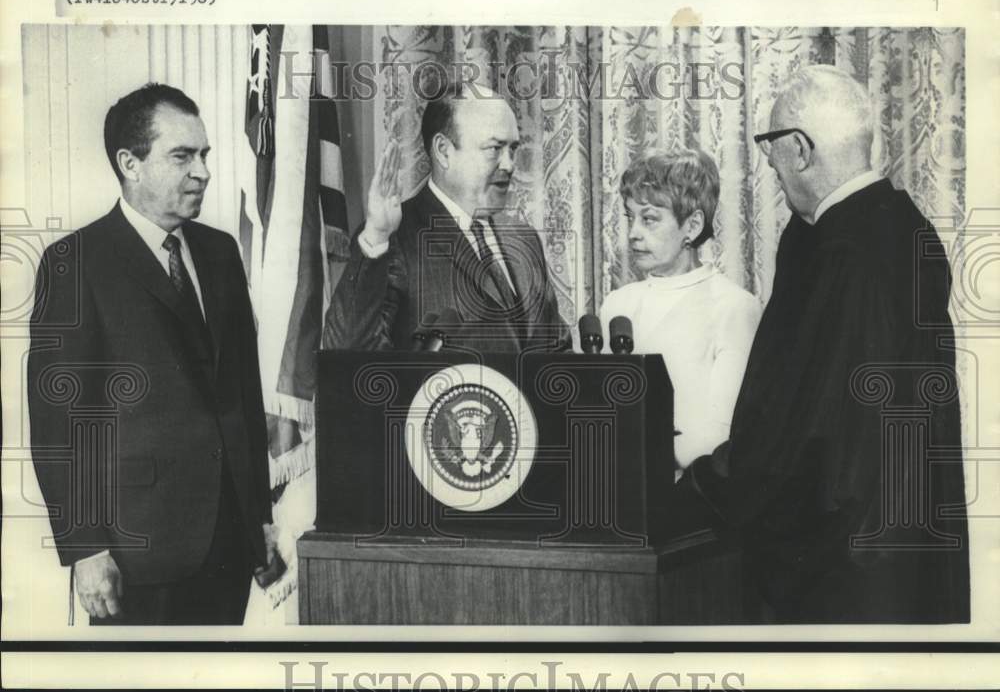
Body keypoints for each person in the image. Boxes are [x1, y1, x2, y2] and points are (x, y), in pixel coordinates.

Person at [686, 65, 970, 623]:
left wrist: (696, 485)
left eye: (771, 146)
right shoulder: (907, 229)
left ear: (800, 148)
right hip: (907, 552)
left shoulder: (837, 253)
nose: (768, 162)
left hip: (841, 572)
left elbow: (795, 429)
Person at [28, 83, 277, 625]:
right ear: (130, 163)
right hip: (134, 554)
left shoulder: (220, 253)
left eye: (204, 154)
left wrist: (259, 515)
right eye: (182, 156)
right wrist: (85, 549)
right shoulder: (74, 263)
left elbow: (242, 393)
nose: (203, 172)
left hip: (229, 544)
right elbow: (58, 426)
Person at [326, 81, 571, 353]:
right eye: (494, 149)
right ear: (444, 151)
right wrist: (376, 237)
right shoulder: (394, 238)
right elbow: (349, 352)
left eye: (512, 149)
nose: (509, 164)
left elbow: (558, 355)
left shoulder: (524, 241)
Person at [600, 150, 761, 475]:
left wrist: (627, 453)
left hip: (692, 498)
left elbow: (720, 435)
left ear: (692, 225)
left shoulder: (734, 307)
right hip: (618, 489)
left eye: (649, 219)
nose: (633, 232)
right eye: (631, 217)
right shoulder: (617, 306)